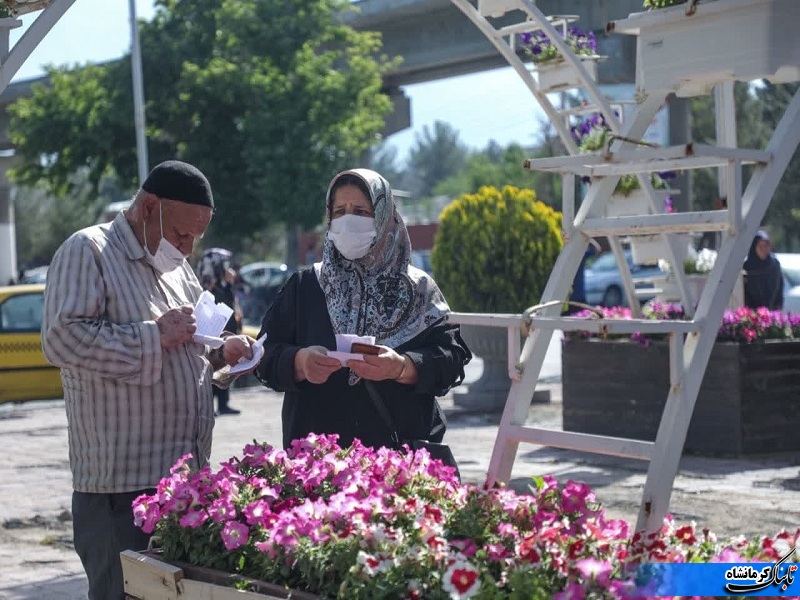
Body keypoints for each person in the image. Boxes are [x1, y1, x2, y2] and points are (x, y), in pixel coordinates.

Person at [41, 160, 256, 600]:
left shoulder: (178, 268)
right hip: (120, 496)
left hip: (181, 486)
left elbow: (194, 340)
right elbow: (61, 339)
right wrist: (152, 336)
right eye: (181, 234)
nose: (188, 248)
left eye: (196, 237)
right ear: (149, 206)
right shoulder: (89, 250)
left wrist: (225, 351)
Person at [255, 168, 471, 453]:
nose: (348, 221)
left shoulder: (419, 289)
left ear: (384, 215)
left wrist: (402, 367)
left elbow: (451, 358)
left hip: (396, 465)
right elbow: (263, 353)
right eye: (339, 211)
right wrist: (299, 362)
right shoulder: (306, 286)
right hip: (317, 465)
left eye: (360, 211)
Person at [743, 229, 784, 311]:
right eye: (760, 246)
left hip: (771, 313)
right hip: (751, 315)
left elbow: (780, 288)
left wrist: (778, 308)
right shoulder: (747, 267)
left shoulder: (774, 265)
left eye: (766, 246)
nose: (763, 249)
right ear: (754, 247)